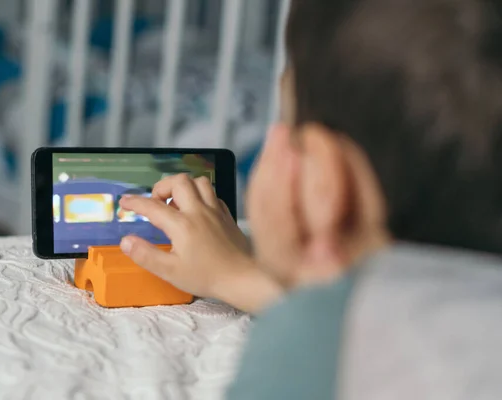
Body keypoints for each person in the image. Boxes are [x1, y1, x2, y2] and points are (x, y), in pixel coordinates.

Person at [119, 0, 502, 398]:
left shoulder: (313, 351)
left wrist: (287, 302)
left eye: (287, 126)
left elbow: (339, 336)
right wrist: (237, 276)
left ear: (328, 186)